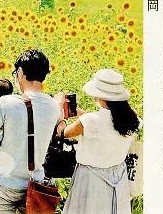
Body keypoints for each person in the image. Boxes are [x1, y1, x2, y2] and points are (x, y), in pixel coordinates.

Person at [0, 49, 60, 214]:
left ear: (20, 73)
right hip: (36, 184)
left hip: (4, 183)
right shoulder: (53, 106)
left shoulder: (5, 103)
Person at [59, 69, 141, 214]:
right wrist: (81, 115)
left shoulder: (91, 121)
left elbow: (62, 133)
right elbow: (107, 126)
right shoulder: (130, 117)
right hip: (118, 177)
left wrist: (59, 110)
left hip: (91, 178)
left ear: (100, 95)